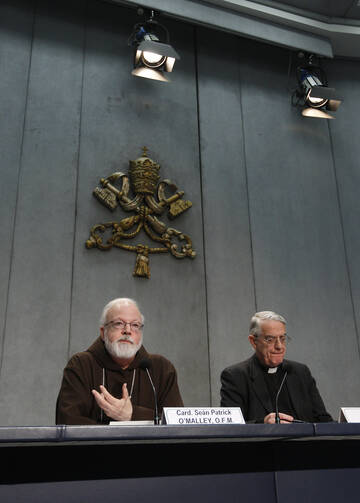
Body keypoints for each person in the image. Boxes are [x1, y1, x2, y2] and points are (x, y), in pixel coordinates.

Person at [56, 298, 183, 424]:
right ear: (103, 332)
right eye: (118, 323)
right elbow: (67, 421)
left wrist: (132, 415)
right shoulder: (81, 365)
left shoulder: (160, 368)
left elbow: (177, 423)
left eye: (135, 325)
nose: (127, 330)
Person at [220, 311, 333, 423]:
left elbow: (323, 419)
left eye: (282, 339)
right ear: (254, 342)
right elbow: (232, 426)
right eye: (270, 339)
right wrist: (263, 424)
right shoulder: (236, 376)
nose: (279, 346)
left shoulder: (300, 372)